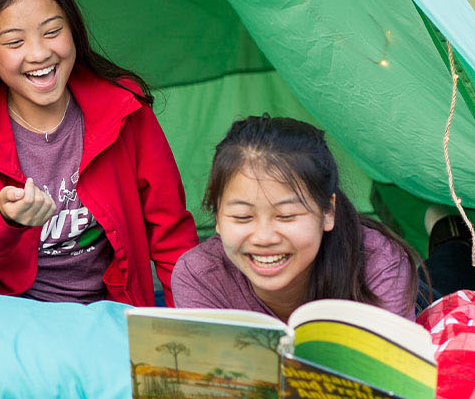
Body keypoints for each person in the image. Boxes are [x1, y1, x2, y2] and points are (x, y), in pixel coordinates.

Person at [0, 0, 196, 306]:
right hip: (5, 323)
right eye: (14, 42)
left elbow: (172, 236)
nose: (40, 53)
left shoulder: (125, 109)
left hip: (108, 315)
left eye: (52, 31)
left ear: (73, 29)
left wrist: (193, 327)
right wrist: (1, 221)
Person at [172, 116, 423, 321]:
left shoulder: (376, 261)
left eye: (286, 216)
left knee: (450, 263)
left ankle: (445, 229)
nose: (264, 237)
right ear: (217, 217)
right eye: (243, 217)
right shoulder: (200, 276)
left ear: (327, 212)